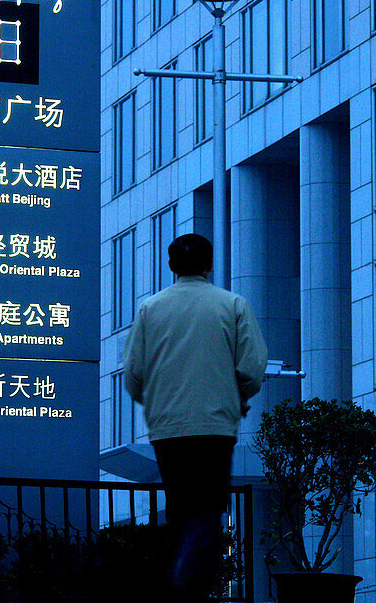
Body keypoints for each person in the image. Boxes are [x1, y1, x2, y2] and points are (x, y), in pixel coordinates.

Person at [124, 233, 268, 602]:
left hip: (167, 427)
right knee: (207, 508)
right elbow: (252, 368)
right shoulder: (231, 304)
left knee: (180, 509)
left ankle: (176, 581)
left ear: (171, 266)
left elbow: (134, 375)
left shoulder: (149, 309)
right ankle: (187, 586)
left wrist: (154, 402)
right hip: (215, 425)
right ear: (209, 265)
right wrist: (236, 396)